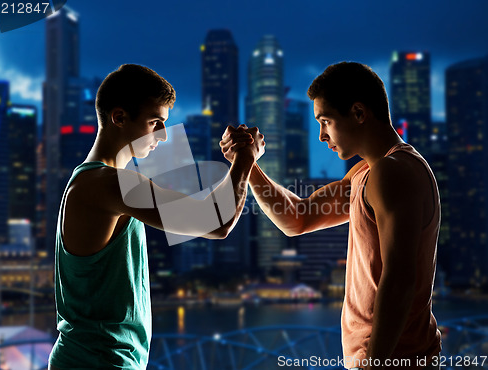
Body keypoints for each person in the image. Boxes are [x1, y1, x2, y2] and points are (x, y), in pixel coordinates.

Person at [220, 62, 441, 369]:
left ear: (359, 113)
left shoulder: (393, 173)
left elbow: (400, 279)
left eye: (326, 121)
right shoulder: (368, 173)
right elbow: (297, 218)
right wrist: (248, 162)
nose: (322, 136)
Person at [48, 64, 265, 369]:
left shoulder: (98, 182)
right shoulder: (106, 184)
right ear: (120, 117)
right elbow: (216, 222)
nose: (163, 136)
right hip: (96, 362)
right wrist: (245, 156)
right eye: (155, 122)